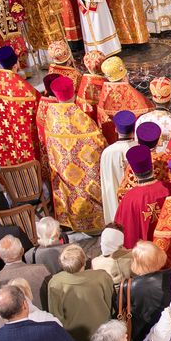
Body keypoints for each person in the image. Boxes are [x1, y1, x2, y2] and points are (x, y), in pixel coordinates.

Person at [44, 75, 107, 233]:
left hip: (64, 171)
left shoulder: (51, 117)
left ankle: (71, 221)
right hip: (85, 173)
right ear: (72, 93)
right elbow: (99, 143)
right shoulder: (81, 118)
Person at [47, 244, 114, 341]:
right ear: (84, 261)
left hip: (75, 337)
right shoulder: (102, 276)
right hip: (103, 332)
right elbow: (110, 304)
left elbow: (56, 315)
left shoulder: (55, 283)